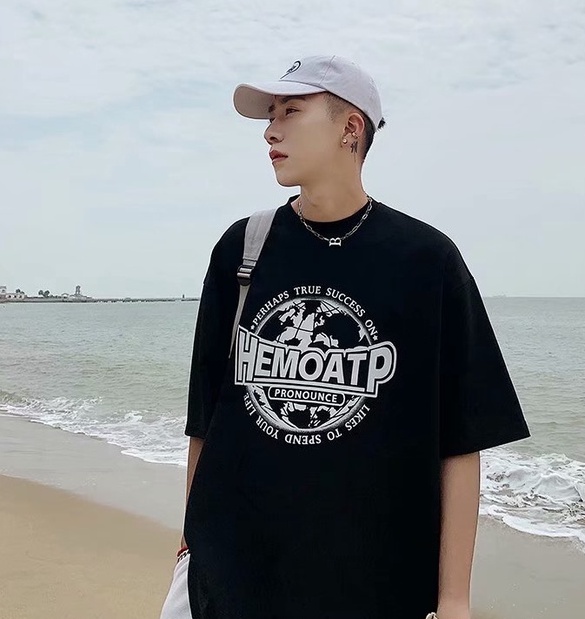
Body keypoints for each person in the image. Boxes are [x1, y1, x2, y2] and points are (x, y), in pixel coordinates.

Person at [178, 55, 530, 619]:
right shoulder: (242, 249)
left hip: (374, 580)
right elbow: (205, 416)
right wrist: (190, 542)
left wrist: (454, 598)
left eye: (291, 111)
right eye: (270, 115)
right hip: (235, 571)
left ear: (350, 127)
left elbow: (462, 441)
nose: (270, 131)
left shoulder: (427, 261)